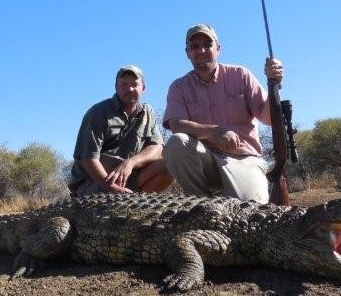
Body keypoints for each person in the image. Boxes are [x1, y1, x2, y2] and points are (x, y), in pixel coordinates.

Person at [162, 23, 284, 203]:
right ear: (187, 53)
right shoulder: (179, 87)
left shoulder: (241, 75)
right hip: (205, 159)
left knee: (252, 212)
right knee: (176, 143)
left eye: (207, 44)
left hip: (243, 158)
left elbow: (267, 118)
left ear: (218, 49)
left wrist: (273, 85)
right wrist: (214, 131)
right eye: (195, 46)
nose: (201, 50)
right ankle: (200, 205)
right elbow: (176, 124)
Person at [69, 65, 173, 196]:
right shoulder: (98, 112)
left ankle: (136, 205)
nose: (129, 89)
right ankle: (125, 201)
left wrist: (130, 163)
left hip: (128, 177)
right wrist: (111, 187)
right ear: (116, 87)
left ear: (143, 89)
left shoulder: (148, 112)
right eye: (124, 84)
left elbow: (157, 147)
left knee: (170, 164)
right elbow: (87, 159)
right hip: (95, 181)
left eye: (134, 84)